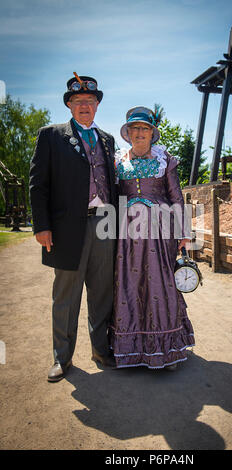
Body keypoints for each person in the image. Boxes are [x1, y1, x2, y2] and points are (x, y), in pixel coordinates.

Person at [30, 73, 117, 382]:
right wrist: (42, 226)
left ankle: (101, 350)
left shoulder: (107, 140)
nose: (85, 106)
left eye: (90, 101)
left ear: (97, 106)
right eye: (78, 101)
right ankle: (61, 358)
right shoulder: (51, 135)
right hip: (67, 229)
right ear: (69, 105)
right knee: (65, 296)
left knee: (103, 293)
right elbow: (38, 185)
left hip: (105, 224)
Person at [109, 106, 195, 370]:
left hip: (159, 231)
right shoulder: (117, 160)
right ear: (127, 133)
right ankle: (131, 349)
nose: (139, 133)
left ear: (152, 133)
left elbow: (176, 196)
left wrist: (184, 232)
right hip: (127, 234)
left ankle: (166, 349)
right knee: (129, 285)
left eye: (144, 128)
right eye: (134, 128)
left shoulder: (165, 160)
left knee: (160, 285)